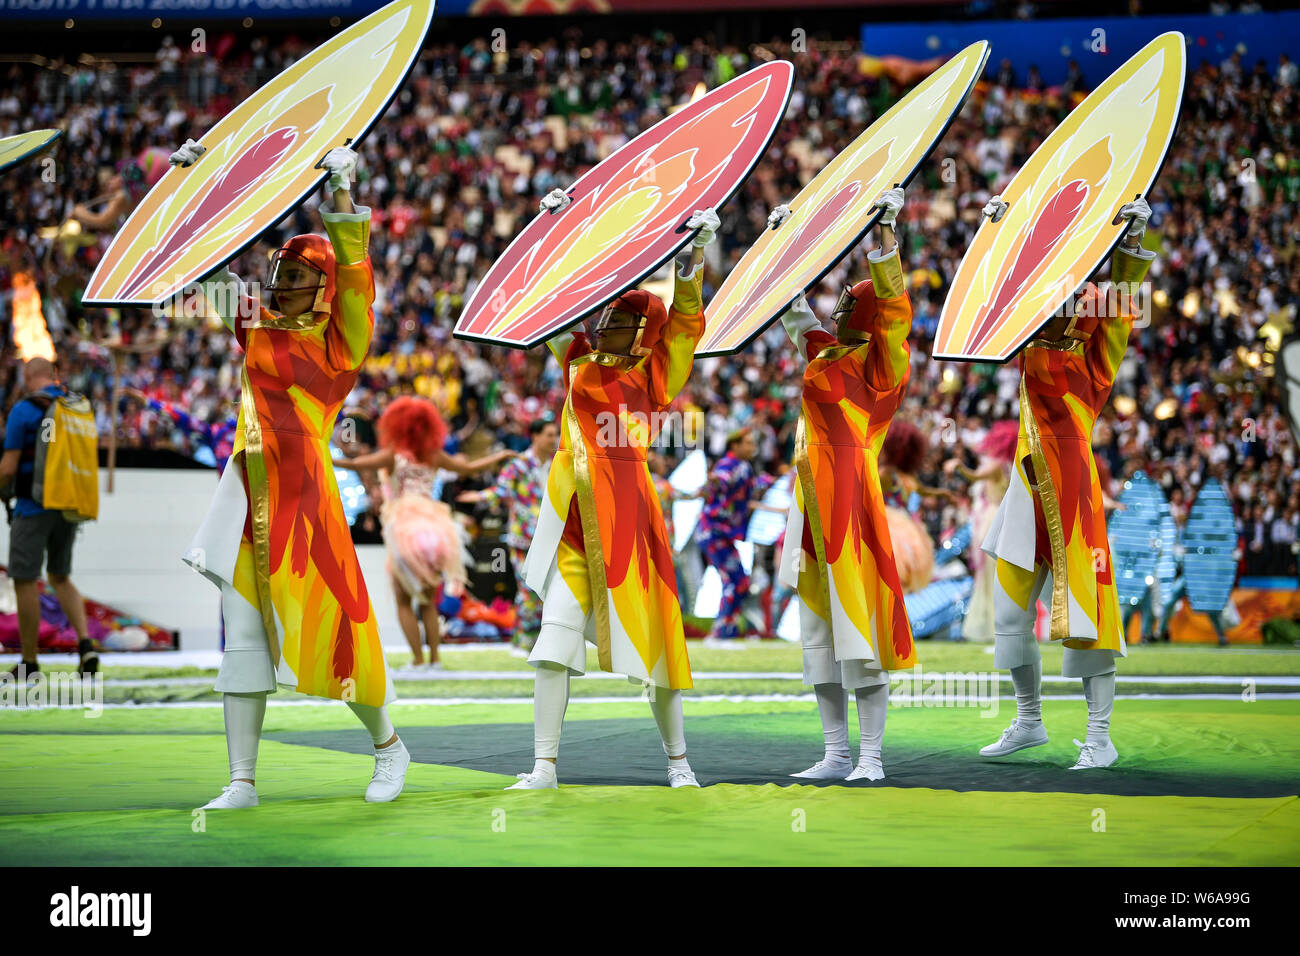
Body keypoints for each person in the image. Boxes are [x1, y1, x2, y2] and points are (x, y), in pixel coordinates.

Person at [175, 139, 410, 809]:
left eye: (300, 273)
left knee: (336, 625)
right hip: (245, 483)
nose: (284, 281)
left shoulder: (344, 340)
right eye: (282, 270)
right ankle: (242, 781)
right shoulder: (257, 323)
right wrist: (192, 185)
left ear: (326, 284)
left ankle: (389, 747)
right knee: (243, 632)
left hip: (305, 494)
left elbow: (359, 273)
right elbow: (209, 268)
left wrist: (343, 194)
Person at [507, 191, 720, 790]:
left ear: (644, 330)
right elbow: (553, 301)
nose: (608, 322)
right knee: (552, 646)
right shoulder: (577, 359)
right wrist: (554, 227)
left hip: (629, 520)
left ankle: (679, 764)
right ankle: (543, 767)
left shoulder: (656, 374)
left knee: (656, 648)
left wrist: (692, 259)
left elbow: (685, 326)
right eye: (609, 315)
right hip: (576, 523)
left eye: (624, 318)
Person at [977, 195, 1156, 770]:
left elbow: (1123, 310)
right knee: (1007, 616)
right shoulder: (1027, 340)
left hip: (1074, 489)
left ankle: (1100, 738)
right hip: (1025, 487)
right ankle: (1029, 721)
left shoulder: (1094, 359)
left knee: (1087, 614)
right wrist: (996, 230)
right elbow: (996, 294)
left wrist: (1129, 249)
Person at [772, 186, 916, 782]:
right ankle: (835, 753)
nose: (832, 314)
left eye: (843, 308)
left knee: (859, 628)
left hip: (853, 505)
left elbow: (895, 303)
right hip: (812, 506)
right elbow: (791, 309)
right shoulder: (824, 353)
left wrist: (884, 239)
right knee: (820, 639)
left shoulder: (882, 367)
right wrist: (777, 242)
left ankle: (873, 759)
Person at [335, 396, 511, 669]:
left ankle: (417, 659)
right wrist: (499, 456)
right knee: (429, 599)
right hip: (435, 529)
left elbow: (359, 464)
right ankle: (435, 660)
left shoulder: (393, 454)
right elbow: (468, 468)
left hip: (405, 526)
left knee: (403, 598)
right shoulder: (433, 455)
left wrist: (324, 455)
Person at [0, 357, 97, 679]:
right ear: (53, 376)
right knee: (60, 576)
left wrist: (3, 491)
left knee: (25, 579)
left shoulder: (24, 410)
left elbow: (9, 467)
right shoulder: (76, 408)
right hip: (69, 506)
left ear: (28, 377)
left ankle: (29, 663)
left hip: (34, 505)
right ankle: (86, 647)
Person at [457, 416, 560, 653]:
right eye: (549, 434)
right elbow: (501, 490)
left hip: (552, 537)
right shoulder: (519, 465)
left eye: (555, 435)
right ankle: (523, 642)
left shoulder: (557, 465)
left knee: (549, 591)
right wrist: (480, 496)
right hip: (523, 538)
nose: (553, 440)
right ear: (534, 436)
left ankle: (543, 642)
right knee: (528, 589)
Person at [943, 420, 1019, 642]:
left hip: (992, 522)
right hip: (1005, 520)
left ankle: (994, 628)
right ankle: (1001, 627)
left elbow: (974, 477)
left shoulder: (996, 465)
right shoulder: (1009, 466)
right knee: (1000, 577)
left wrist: (959, 466)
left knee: (990, 577)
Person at [696, 427, 775, 639]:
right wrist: (712, 481)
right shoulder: (728, 465)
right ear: (735, 445)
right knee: (735, 581)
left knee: (739, 581)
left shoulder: (745, 467)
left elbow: (746, 492)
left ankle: (725, 631)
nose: (752, 447)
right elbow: (721, 479)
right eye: (748, 443)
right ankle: (721, 633)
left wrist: (770, 481)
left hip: (723, 534)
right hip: (713, 531)